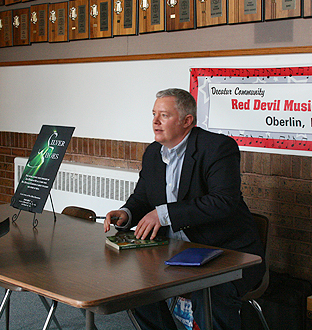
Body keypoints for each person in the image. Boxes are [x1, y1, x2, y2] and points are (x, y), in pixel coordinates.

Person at [104, 88, 265, 330]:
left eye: (164, 116)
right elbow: (142, 198)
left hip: (226, 252)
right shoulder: (152, 153)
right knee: (134, 287)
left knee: (208, 292)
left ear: (187, 121)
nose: (155, 122)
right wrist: (126, 213)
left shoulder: (218, 148)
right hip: (174, 253)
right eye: (154, 114)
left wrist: (164, 213)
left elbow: (224, 201)